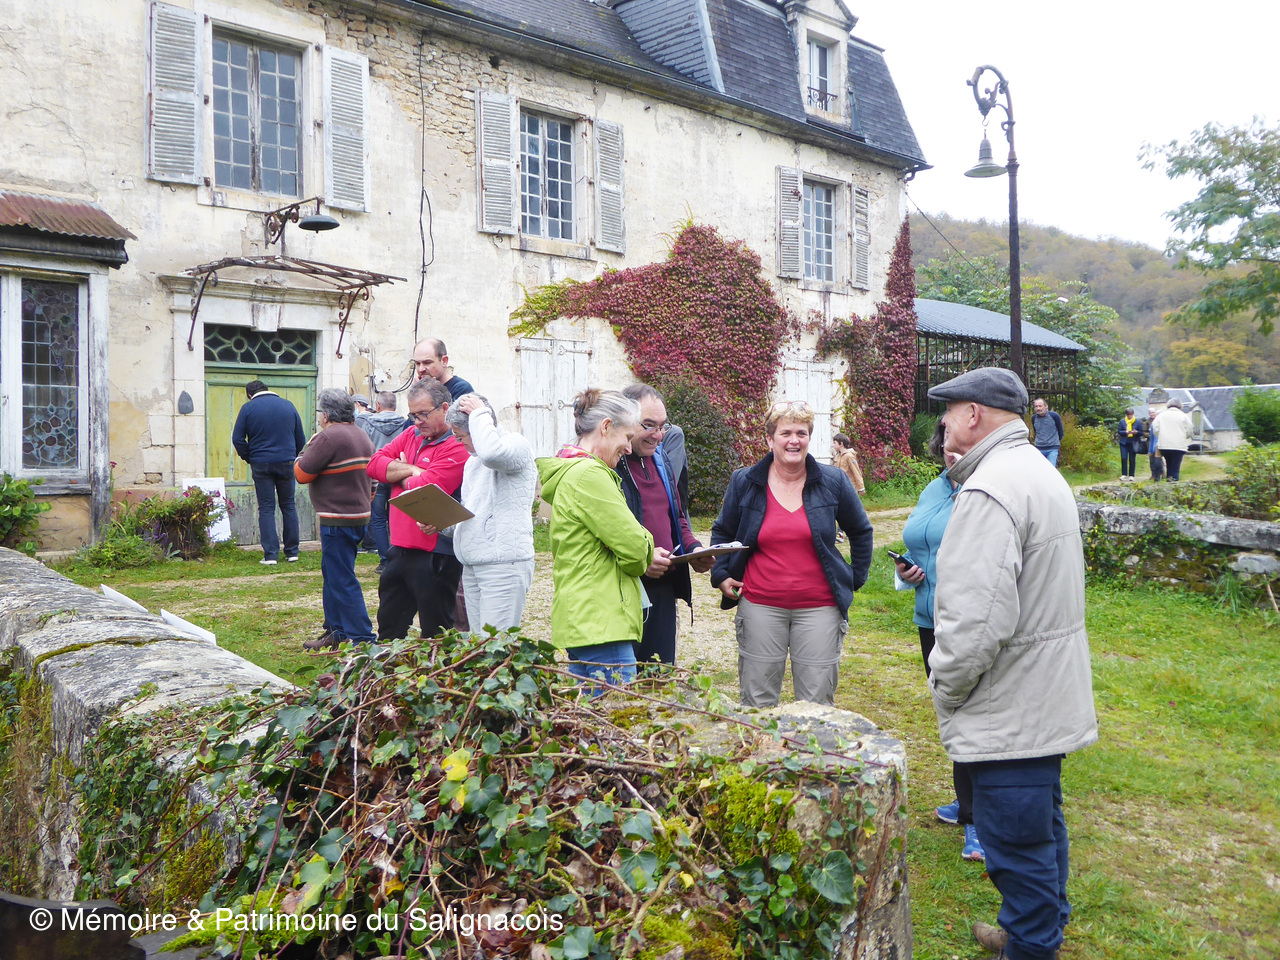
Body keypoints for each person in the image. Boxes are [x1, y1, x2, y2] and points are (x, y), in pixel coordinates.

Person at [926, 367, 1097, 960]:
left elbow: (975, 624)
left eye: (948, 412)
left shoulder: (991, 488)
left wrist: (945, 686)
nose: (943, 423)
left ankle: (1030, 947)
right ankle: (1035, 931)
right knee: (1041, 826)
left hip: (1010, 702)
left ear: (973, 414)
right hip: (1043, 692)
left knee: (1015, 839)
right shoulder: (1037, 472)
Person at [710, 400, 873, 708]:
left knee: (815, 706)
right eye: (785, 433)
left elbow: (861, 531)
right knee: (757, 704)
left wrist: (854, 578)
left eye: (801, 433)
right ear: (769, 439)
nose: (794, 441)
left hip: (820, 608)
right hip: (760, 605)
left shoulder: (833, 482)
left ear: (809, 438)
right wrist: (720, 575)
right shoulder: (745, 482)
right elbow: (722, 533)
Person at [892, 421, 983, 861]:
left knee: (973, 715)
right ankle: (968, 801)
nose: (951, 450)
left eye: (960, 442)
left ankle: (980, 821)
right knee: (950, 710)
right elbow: (921, 543)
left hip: (967, 620)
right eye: (945, 441)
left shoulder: (984, 491)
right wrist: (907, 569)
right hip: (929, 619)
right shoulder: (935, 489)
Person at [536, 389, 655, 686]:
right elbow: (635, 550)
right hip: (602, 621)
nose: (629, 448)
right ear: (605, 426)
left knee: (588, 711)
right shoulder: (590, 475)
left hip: (583, 618)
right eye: (627, 437)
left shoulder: (570, 470)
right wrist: (646, 541)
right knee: (617, 708)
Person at [419, 393, 536, 631]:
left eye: (461, 436)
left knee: (496, 643)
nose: (458, 442)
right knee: (479, 644)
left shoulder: (516, 444)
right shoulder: (473, 463)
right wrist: (441, 522)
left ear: (478, 426)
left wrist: (479, 412)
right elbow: (472, 516)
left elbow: (492, 454)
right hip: (474, 563)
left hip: (503, 564)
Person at [616, 384, 713, 667]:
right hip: (624, 587)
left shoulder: (661, 459)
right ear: (625, 419)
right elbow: (604, 532)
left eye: (662, 426)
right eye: (649, 425)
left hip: (664, 586)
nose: (658, 435)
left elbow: (676, 516)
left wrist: (694, 549)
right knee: (623, 680)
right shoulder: (609, 464)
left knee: (659, 676)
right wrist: (641, 559)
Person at [366, 378, 469, 640]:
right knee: (389, 629)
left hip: (436, 553)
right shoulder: (411, 434)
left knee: (436, 634)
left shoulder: (457, 445)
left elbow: (425, 487)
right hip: (399, 548)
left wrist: (397, 474)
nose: (417, 421)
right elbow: (374, 465)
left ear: (444, 408)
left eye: (423, 414)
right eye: (413, 415)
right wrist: (412, 469)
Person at [294, 389, 376, 651]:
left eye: (320, 413)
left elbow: (301, 474)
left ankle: (363, 639)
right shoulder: (361, 434)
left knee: (341, 579)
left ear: (326, 415)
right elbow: (373, 479)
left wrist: (302, 453)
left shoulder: (327, 437)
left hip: (337, 519)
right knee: (333, 575)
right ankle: (336, 630)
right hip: (358, 516)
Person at [231, 379, 307, 565]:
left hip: (261, 463)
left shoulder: (248, 409)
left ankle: (271, 554)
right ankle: (292, 552)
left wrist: (250, 457)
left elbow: (237, 439)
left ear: (250, 395)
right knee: (288, 505)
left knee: (266, 508)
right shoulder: (288, 406)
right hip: (286, 462)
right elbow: (300, 438)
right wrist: (292, 455)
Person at [358, 390, 410, 565]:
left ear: (378, 406)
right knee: (396, 517)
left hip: (377, 475)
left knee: (378, 518)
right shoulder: (405, 425)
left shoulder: (368, 424)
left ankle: (385, 559)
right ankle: (397, 557)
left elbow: (365, 449)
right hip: (399, 475)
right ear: (395, 405)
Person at [1152, 398, 1193, 482]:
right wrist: (1184, 437)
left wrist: (1161, 436)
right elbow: (1190, 430)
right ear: (1180, 406)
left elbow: (1155, 429)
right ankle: (1174, 483)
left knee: (1169, 465)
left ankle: (1169, 481)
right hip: (1179, 446)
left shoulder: (1161, 416)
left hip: (1164, 445)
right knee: (1175, 467)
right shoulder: (1184, 416)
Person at [1030, 398, 1064, 467]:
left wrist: (1055, 442)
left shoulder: (1054, 416)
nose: (1038, 408)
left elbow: (1060, 431)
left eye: (1040, 406)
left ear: (1046, 406)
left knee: (1051, 469)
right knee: (1040, 469)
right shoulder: (1034, 418)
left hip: (1052, 448)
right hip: (1039, 448)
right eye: (1036, 406)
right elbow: (1036, 431)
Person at [1116, 407, 1140, 482]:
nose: (1130, 416)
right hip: (1124, 442)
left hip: (1133, 442)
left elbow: (1141, 432)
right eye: (1128, 415)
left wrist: (1136, 432)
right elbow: (1119, 431)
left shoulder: (1137, 422)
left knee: (1132, 459)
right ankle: (1124, 474)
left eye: (1131, 415)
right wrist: (1126, 432)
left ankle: (1131, 475)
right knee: (1124, 458)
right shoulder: (1122, 421)